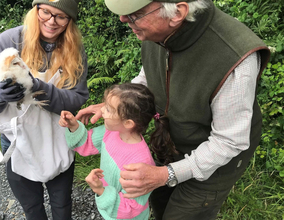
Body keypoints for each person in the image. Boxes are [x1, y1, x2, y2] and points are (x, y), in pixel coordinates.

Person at [75, 0, 271, 219]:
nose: (123, 19)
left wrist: (165, 174)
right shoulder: (155, 30)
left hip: (215, 161)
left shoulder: (234, 57)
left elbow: (229, 141)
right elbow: (147, 77)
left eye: (135, 14)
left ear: (178, 12)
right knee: (159, 203)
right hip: (168, 145)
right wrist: (116, 107)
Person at [0, 0, 88, 219]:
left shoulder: (74, 49)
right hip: (17, 141)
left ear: (70, 20)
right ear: (36, 9)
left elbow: (77, 99)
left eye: (61, 16)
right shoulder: (9, 41)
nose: (51, 21)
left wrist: (40, 89)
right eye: (45, 11)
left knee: (62, 204)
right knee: (32, 207)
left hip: (57, 137)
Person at [59, 83, 176, 220]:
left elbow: (132, 208)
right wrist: (74, 126)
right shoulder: (111, 132)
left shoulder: (140, 162)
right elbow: (87, 143)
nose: (101, 110)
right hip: (112, 211)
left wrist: (101, 191)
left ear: (128, 123)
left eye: (108, 109)